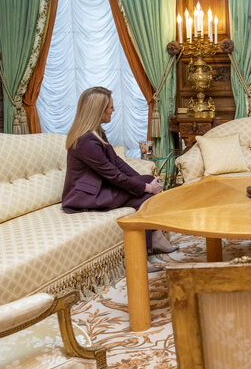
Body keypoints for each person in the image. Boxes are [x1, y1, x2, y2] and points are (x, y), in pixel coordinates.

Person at [62, 87, 177, 270]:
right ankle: (139, 256)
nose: (113, 110)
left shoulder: (97, 133)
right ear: (98, 110)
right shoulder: (86, 141)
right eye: (110, 107)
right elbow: (112, 175)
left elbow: (116, 162)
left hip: (100, 187)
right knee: (145, 195)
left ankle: (155, 238)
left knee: (147, 179)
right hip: (87, 196)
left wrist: (145, 181)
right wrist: (146, 188)